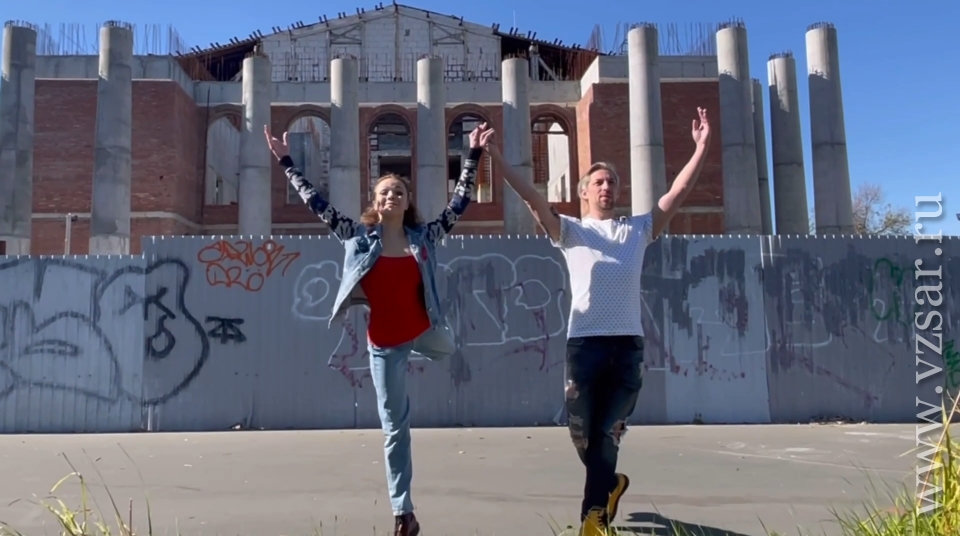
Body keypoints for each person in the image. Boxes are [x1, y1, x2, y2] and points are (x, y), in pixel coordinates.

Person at [485, 108, 712, 534]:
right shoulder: (570, 231)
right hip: (584, 345)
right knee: (582, 435)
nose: (607, 187)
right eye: (599, 182)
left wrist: (700, 148)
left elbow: (677, 192)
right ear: (584, 192)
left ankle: (594, 519)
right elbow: (532, 198)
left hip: (627, 347)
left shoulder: (638, 230)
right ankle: (610, 484)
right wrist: (496, 157)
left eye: (612, 182)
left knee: (608, 432)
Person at [264, 122, 495, 536]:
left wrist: (473, 154)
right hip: (385, 345)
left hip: (424, 332)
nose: (392, 196)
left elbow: (459, 203)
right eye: (385, 192)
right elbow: (316, 203)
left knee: (447, 348)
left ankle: (427, 348)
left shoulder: (424, 239)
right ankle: (404, 513)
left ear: (407, 203)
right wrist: (286, 162)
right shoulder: (357, 238)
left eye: (399, 192)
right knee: (395, 428)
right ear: (375, 201)